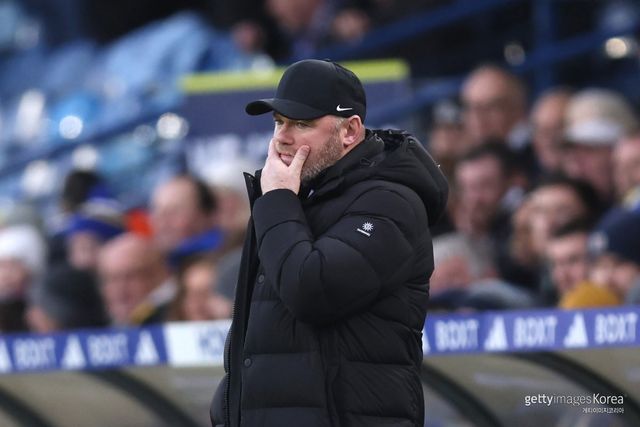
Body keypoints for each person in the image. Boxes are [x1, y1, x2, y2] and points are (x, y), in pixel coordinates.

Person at [210, 59, 448, 427]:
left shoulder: (390, 202)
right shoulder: (292, 199)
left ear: (350, 131)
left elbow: (312, 291)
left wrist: (277, 201)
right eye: (279, 122)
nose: (282, 137)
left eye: (301, 123)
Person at [97, 233, 175, 325]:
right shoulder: (96, 322)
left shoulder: (174, 319)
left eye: (130, 277)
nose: (119, 289)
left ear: (158, 275)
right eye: (111, 279)